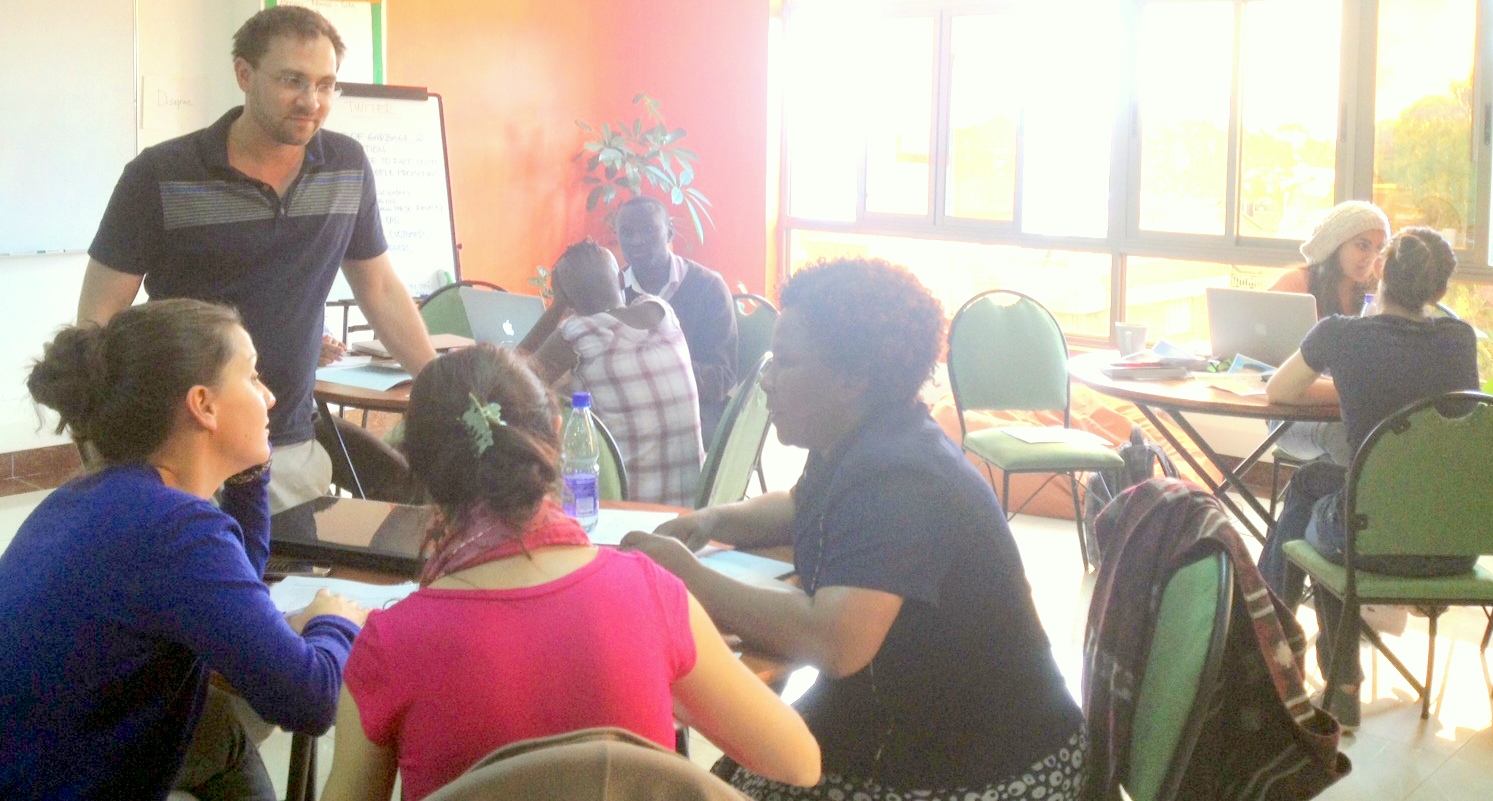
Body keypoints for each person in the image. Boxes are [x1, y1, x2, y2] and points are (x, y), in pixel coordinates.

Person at [623, 258, 1086, 800]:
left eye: (786, 363)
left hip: (990, 770)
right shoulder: (863, 440)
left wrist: (684, 578)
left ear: (851, 379)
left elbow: (836, 640)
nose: (767, 380)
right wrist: (712, 521)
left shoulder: (902, 478)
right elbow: (799, 506)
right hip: (911, 736)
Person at [320, 345, 819, 801]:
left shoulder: (390, 646)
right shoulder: (648, 594)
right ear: (557, 433)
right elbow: (799, 761)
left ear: (419, 468)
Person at [0, 299, 368, 800]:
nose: (271, 397)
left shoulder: (95, 494)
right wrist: (334, 619)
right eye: (253, 376)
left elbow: (237, 576)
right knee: (220, 724)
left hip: (32, 763)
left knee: (217, 729)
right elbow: (310, 702)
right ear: (203, 404)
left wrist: (249, 472)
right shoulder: (176, 530)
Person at [77, 5, 436, 514]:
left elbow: (377, 287)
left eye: (327, 84)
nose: (311, 101)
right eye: (292, 80)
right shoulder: (160, 175)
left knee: (295, 591)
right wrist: (110, 451)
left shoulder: (347, 167)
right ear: (244, 74)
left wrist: (438, 383)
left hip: (286, 445)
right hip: (179, 453)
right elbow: (98, 320)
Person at [1259, 226, 1479, 729]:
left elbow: (1278, 391)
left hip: (1373, 543)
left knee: (1322, 504)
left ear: (1381, 270)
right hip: (1453, 546)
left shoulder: (1341, 333)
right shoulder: (1460, 337)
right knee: (1329, 491)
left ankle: (1275, 646)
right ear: (1439, 292)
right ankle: (1326, 672)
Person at [523, 197, 736, 442]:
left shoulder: (708, 287)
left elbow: (723, 378)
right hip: (626, 416)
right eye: (627, 232)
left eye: (648, 230)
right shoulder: (607, 289)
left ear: (669, 232)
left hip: (699, 409)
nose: (637, 240)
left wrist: (650, 371)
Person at [529, 239, 704, 507]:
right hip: (694, 507)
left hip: (629, 512)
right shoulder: (662, 310)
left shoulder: (578, 333)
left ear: (567, 298)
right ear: (621, 279)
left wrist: (555, 309)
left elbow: (512, 378)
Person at [1265, 201, 1393, 467]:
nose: (1371, 256)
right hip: (1292, 414)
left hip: (1351, 412)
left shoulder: (1379, 298)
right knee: (1346, 437)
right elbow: (1267, 363)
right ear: (1335, 243)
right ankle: (1358, 508)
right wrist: (1354, 390)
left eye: (1379, 248)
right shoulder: (1296, 284)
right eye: (1362, 245)